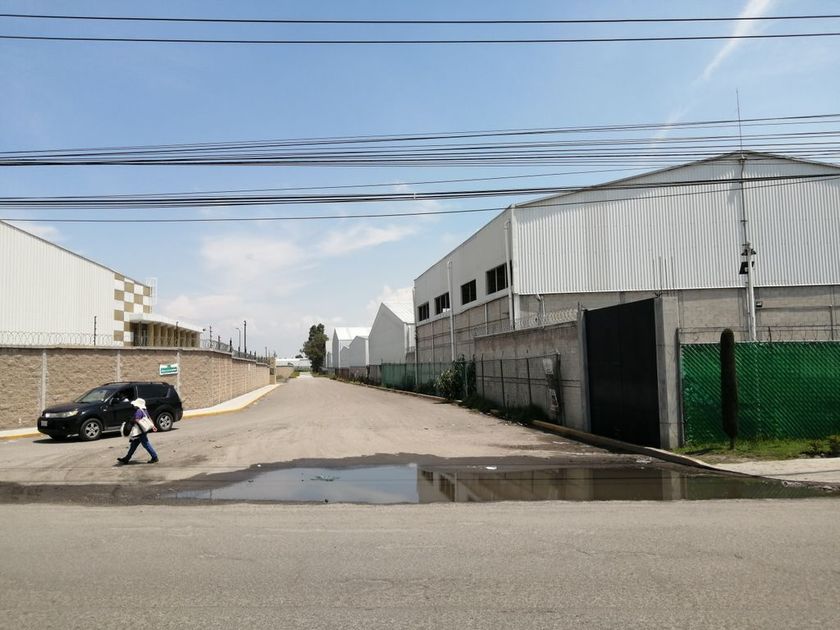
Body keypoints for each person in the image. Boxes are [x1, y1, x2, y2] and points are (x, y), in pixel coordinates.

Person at [116, 398, 159, 464]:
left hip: (140, 431)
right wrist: (153, 426)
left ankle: (154, 457)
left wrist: (132, 421)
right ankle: (127, 458)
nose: (134, 406)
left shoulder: (139, 411)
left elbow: (137, 419)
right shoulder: (144, 410)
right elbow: (149, 418)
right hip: (143, 430)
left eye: (135, 405)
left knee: (145, 444)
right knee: (134, 445)